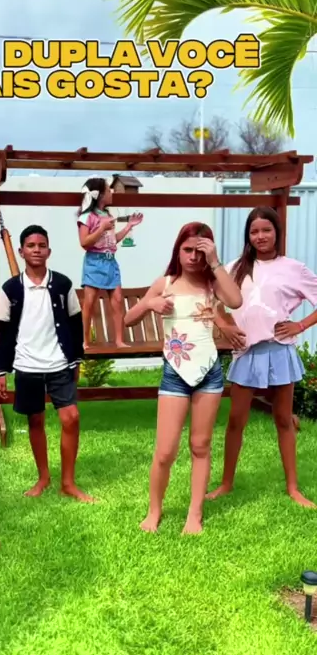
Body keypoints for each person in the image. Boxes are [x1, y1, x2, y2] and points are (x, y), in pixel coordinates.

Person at [125, 222, 243, 534]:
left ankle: (194, 515)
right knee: (165, 451)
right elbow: (128, 319)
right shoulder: (165, 283)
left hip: (209, 373)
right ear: (177, 250)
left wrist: (215, 262)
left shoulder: (213, 284)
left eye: (199, 251)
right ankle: (154, 511)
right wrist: (149, 303)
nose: (193, 256)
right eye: (187, 249)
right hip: (175, 374)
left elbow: (236, 301)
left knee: (200, 445)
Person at [207, 206, 317, 508]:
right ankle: (226, 483)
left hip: (279, 350)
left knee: (283, 419)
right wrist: (225, 326)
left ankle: (293, 488)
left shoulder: (293, 268)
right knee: (235, 420)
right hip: (246, 353)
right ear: (248, 236)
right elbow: (210, 301)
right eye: (254, 231)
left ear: (277, 233)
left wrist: (300, 325)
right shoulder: (234, 267)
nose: (260, 236)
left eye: (266, 230)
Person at [0, 224, 93, 502]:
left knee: (71, 418)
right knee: (35, 420)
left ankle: (68, 483)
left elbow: (75, 323)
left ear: (49, 250)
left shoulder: (62, 285)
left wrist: (76, 360)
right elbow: (1, 331)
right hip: (27, 365)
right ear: (21, 251)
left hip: (59, 363)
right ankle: (44, 477)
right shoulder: (11, 289)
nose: (36, 250)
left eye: (41, 246)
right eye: (31, 246)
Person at [77, 177, 143, 349]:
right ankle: (85, 340)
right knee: (89, 302)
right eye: (108, 190)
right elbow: (84, 242)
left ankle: (119, 340)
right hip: (94, 262)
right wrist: (101, 228)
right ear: (99, 195)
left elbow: (113, 240)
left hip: (110, 261)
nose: (111, 192)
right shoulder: (86, 217)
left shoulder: (108, 215)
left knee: (117, 301)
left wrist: (128, 226)